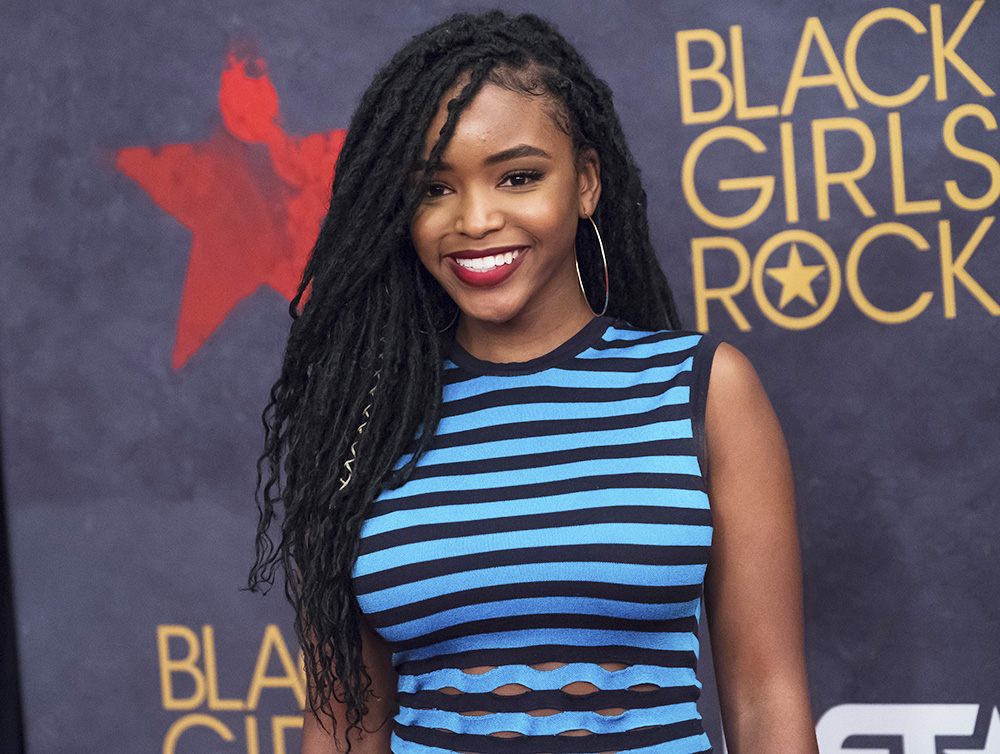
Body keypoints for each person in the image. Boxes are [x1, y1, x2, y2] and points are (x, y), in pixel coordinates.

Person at [250, 10, 819, 754]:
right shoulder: (366, 421)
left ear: (585, 182)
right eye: (434, 190)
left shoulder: (702, 391)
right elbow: (342, 722)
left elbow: (766, 700)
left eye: (518, 176)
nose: (476, 218)